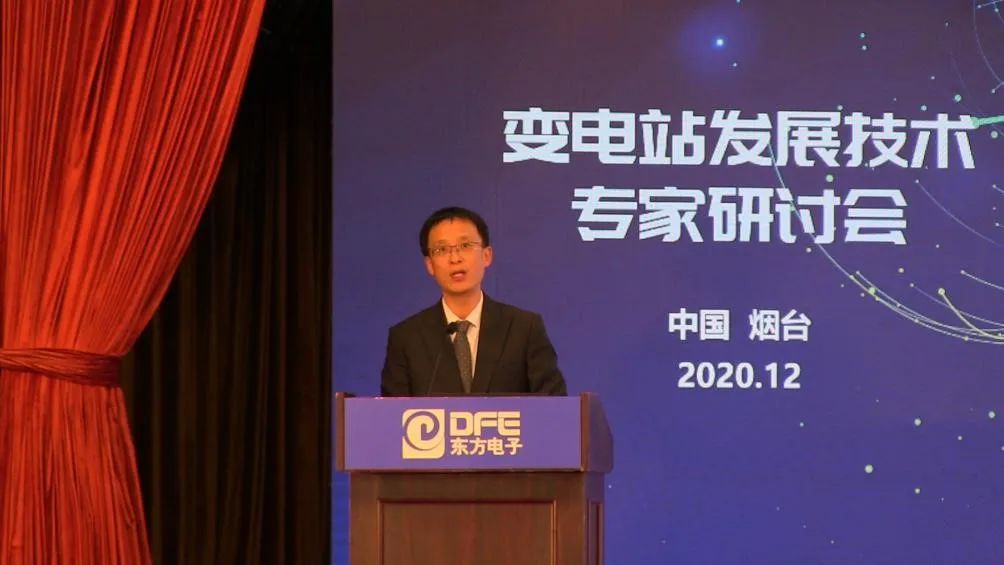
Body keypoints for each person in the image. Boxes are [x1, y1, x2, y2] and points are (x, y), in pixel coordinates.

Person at [380, 207, 567, 396]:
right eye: (442, 249)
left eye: (465, 245)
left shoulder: (524, 328)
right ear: (430, 265)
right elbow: (392, 412)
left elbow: (554, 403)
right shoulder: (406, 338)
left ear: (487, 256)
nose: (455, 258)